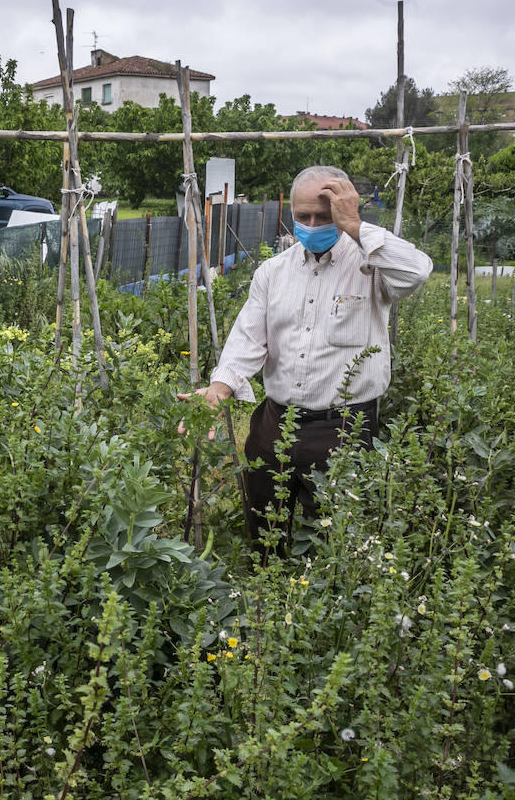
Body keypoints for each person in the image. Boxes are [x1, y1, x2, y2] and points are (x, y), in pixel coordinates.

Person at [178, 164, 432, 539]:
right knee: (264, 528)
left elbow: (417, 272)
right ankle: (266, 589)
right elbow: (249, 337)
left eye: (324, 216)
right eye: (302, 216)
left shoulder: (370, 265)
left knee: (334, 541)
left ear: (343, 211)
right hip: (274, 423)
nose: (312, 225)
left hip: (345, 426)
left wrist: (355, 226)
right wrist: (219, 389)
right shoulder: (273, 272)